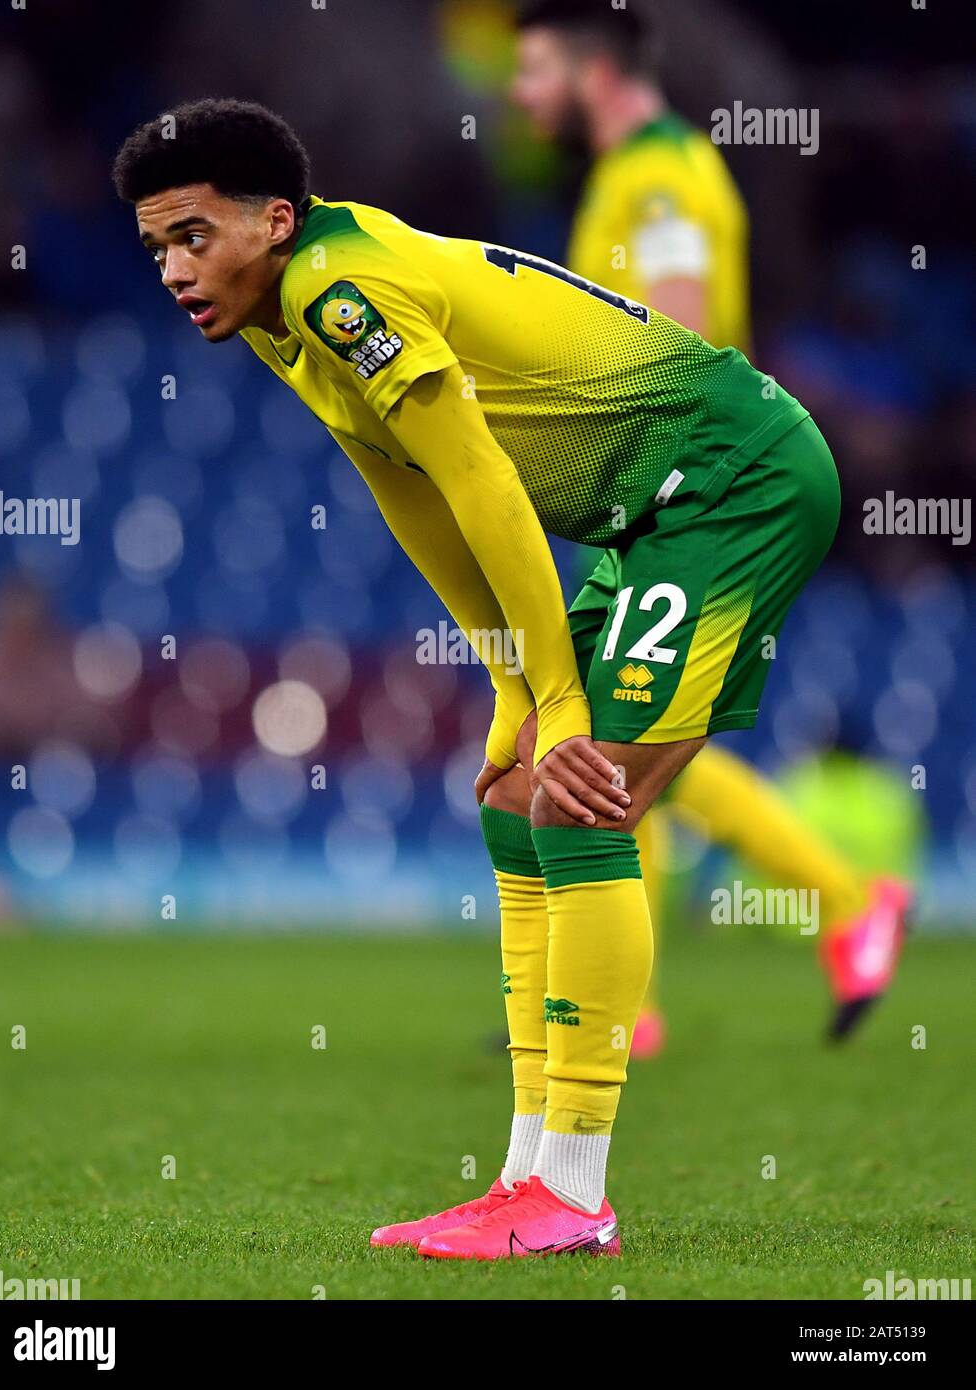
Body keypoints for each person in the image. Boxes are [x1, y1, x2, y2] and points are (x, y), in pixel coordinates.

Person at [114, 96, 876, 1261]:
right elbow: (408, 488)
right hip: (651, 514)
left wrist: (560, 698)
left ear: (272, 220)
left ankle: (574, 1195)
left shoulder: (337, 288)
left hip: (729, 480)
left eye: (191, 236)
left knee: (582, 798)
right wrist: (516, 686)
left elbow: (481, 481)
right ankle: (525, 1175)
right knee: (521, 800)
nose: (174, 268)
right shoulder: (281, 312)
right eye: (156, 246)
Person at [511, 0, 909, 1055]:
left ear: (592, 69)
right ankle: (634, 991)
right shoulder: (642, 169)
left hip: (682, 492)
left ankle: (830, 906)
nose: (516, 92)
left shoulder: (656, 176)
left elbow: (678, 320)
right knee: (626, 738)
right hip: (665, 492)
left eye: (533, 67)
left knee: (614, 738)